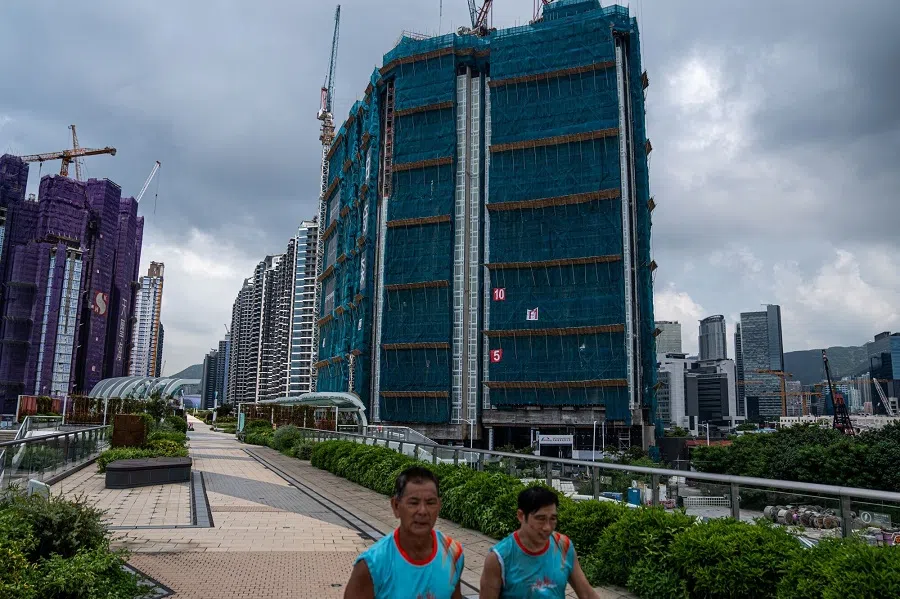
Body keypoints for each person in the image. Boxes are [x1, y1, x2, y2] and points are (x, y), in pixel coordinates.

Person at [343, 466, 465, 599]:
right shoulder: (372, 565)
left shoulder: (453, 553)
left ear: (439, 506)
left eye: (430, 503)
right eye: (413, 503)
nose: (423, 511)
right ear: (396, 506)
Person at [479, 487, 599, 599]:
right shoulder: (499, 558)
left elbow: (587, 594)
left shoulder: (563, 546)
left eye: (552, 519)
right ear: (521, 516)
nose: (547, 527)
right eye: (540, 519)